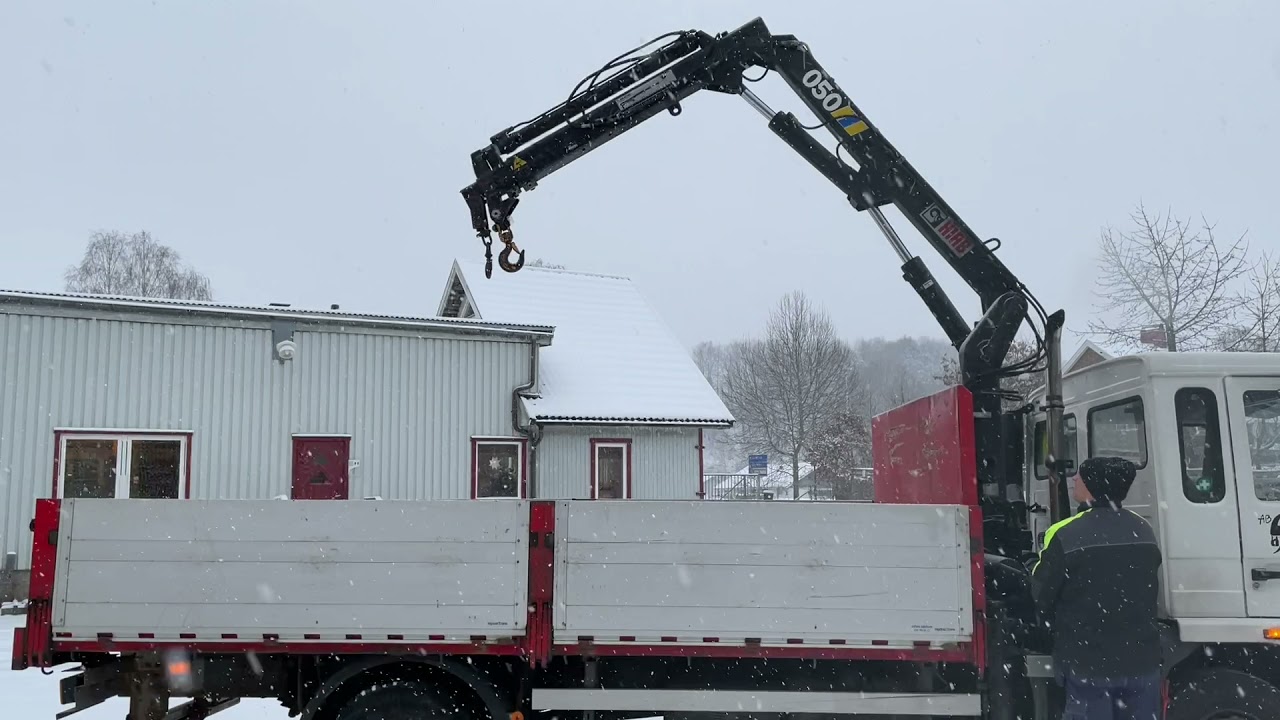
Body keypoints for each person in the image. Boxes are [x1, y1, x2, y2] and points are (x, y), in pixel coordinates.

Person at [1031, 456, 1163, 720]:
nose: (1074, 478)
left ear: (1093, 485)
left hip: (1090, 665)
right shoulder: (1143, 529)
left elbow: (1041, 594)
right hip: (1142, 662)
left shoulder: (1067, 533)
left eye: (1080, 476)